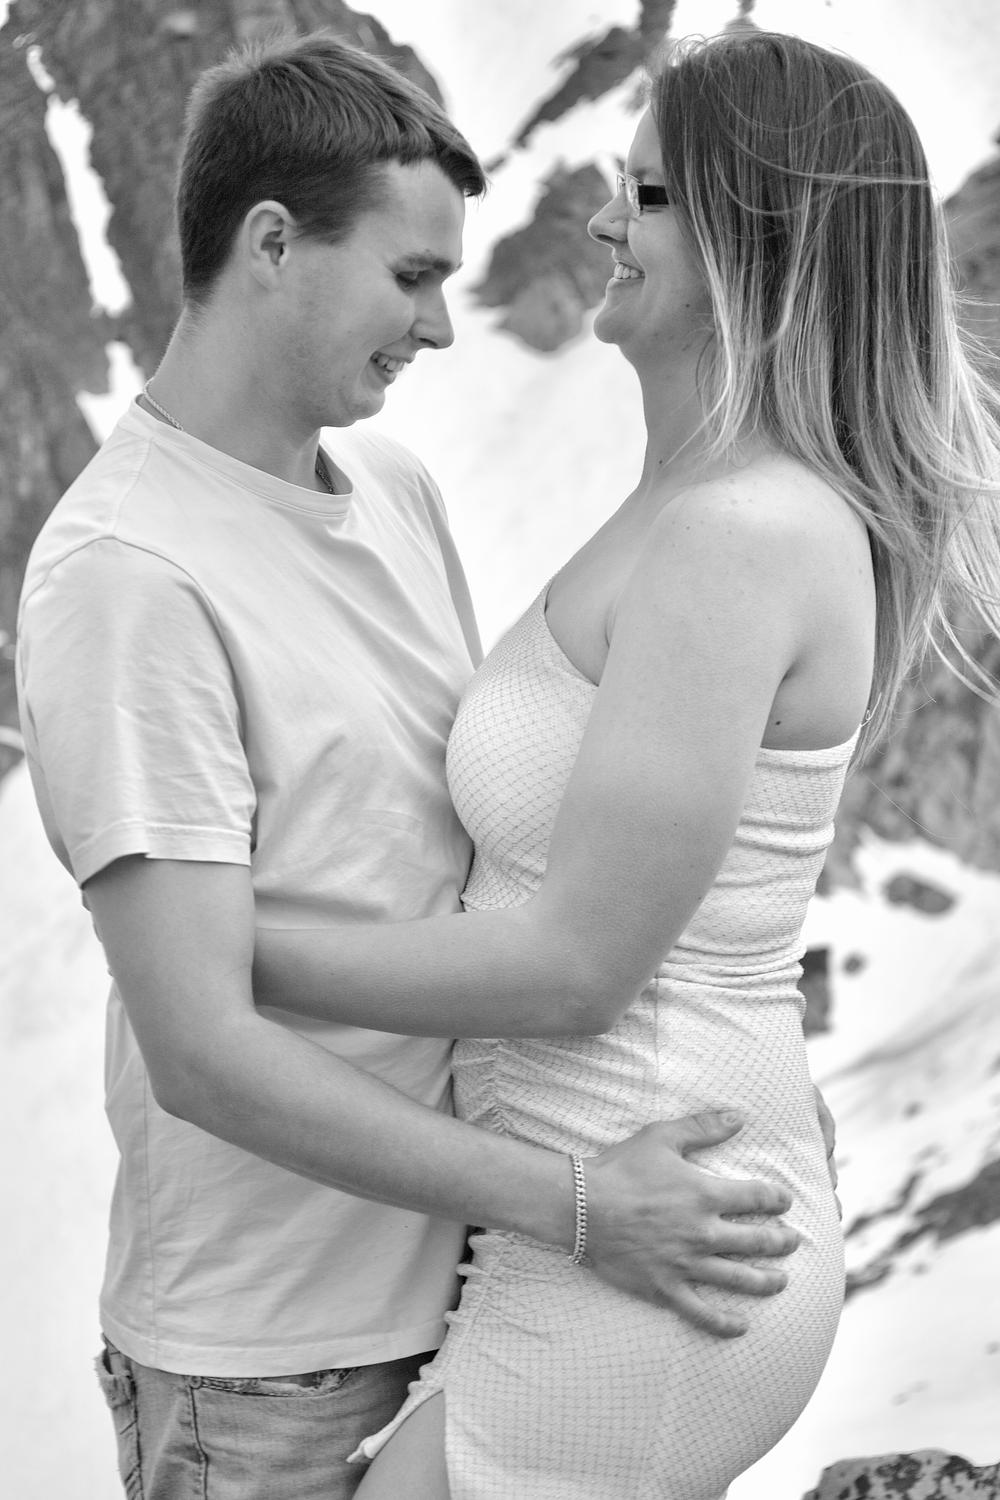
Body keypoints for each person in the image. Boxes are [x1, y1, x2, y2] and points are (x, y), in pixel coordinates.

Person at [14, 31, 814, 1500]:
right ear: (272, 244)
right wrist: (582, 1205)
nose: (440, 328)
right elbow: (201, 1052)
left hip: (467, 1289)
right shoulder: (130, 577)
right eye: (411, 276)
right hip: (271, 1368)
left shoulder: (391, 488)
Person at [246, 29, 1000, 1500]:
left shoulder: (740, 534)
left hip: (651, 1263)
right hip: (618, 1215)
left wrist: (223, 952)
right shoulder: (704, 503)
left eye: (647, 194)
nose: (602, 222)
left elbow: (576, 967)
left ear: (758, 237)